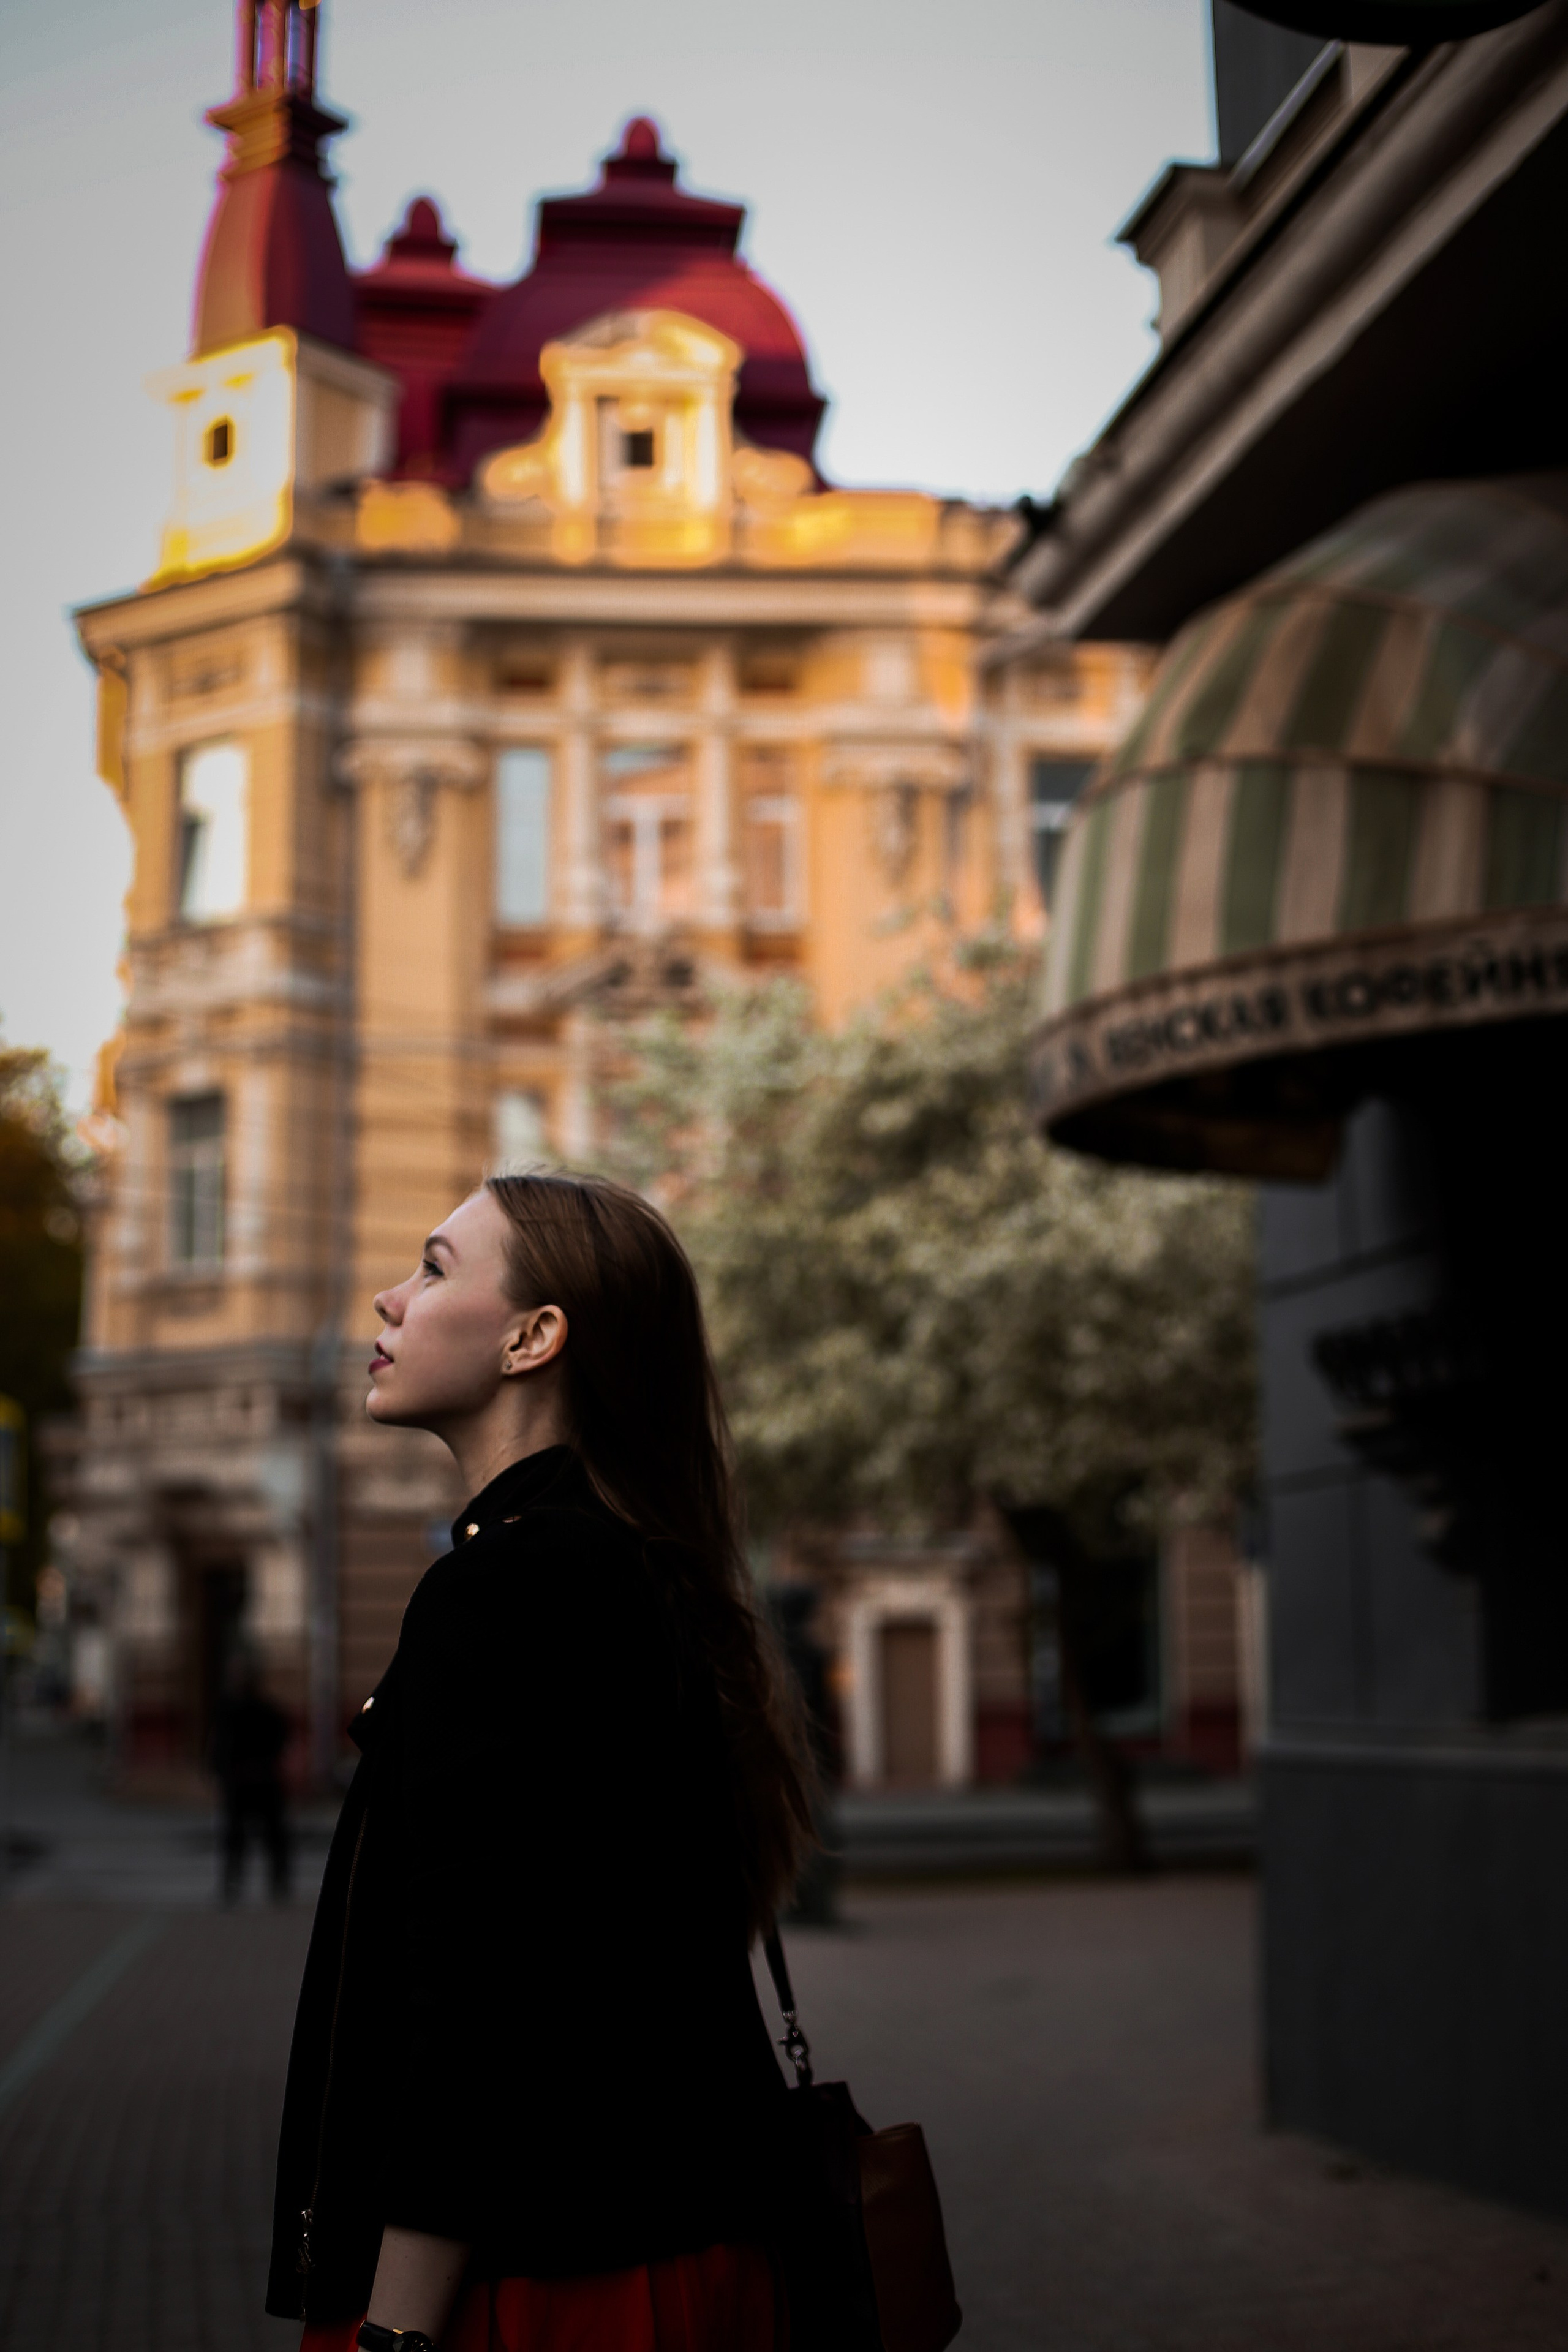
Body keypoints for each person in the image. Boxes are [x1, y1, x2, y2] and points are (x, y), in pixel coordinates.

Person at [266, 1172, 816, 2352]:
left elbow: (473, 2001)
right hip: (689, 2253)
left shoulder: (506, 1589)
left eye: (432, 1267)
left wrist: (395, 2336)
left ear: (533, 1338)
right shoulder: (638, 1571)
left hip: (544, 2291)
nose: (388, 1298)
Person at [212, 1649, 292, 1905]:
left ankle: (277, 1883)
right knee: (236, 1837)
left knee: (272, 1836)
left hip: (261, 1780)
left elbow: (279, 1738)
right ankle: (234, 1884)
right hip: (243, 1782)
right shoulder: (229, 1710)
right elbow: (219, 1746)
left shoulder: (263, 1710)